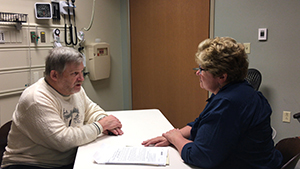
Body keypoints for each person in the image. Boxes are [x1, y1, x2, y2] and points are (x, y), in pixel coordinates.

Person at [142, 37, 283, 168]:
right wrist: (172, 136)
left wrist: (177, 139)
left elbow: (200, 156)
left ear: (222, 76)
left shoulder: (228, 103)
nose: (198, 73)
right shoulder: (242, 91)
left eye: (202, 69)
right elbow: (200, 124)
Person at [1, 47, 123, 169]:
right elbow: (63, 140)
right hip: (30, 164)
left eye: (82, 72)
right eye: (75, 73)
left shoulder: (74, 89)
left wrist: (105, 121)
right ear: (54, 75)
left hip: (65, 160)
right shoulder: (36, 98)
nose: (81, 78)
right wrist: (101, 126)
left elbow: (90, 109)